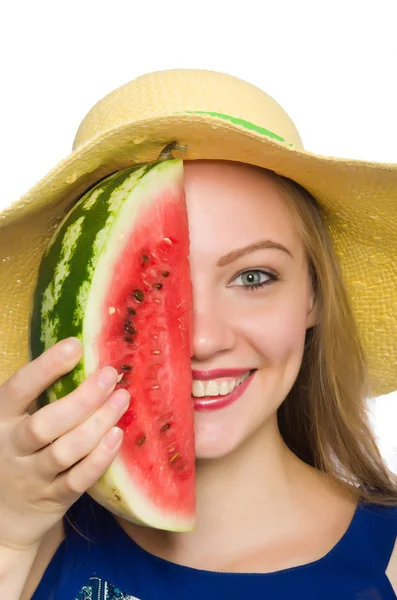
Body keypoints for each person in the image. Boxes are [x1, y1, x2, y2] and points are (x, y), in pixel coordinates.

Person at [0, 69, 396, 600]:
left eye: (253, 277)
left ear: (315, 296)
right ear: (71, 316)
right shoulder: (31, 543)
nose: (203, 340)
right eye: (153, 294)